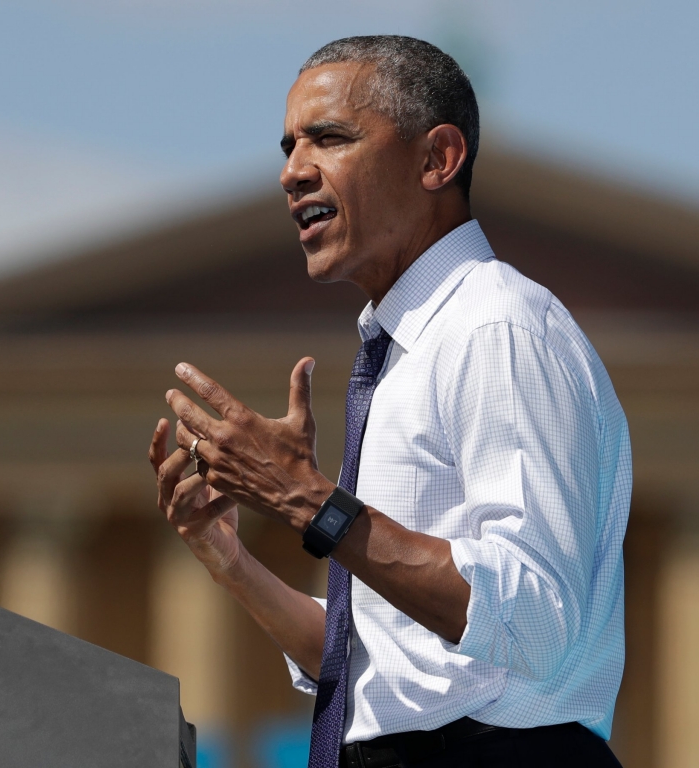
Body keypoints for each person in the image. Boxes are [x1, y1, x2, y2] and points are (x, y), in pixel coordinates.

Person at [147, 36, 629, 768]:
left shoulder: (495, 327)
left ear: (437, 159)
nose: (292, 172)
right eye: (288, 147)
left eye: (329, 139)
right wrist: (229, 559)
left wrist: (311, 501)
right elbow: (380, 669)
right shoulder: (405, 353)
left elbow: (535, 620)